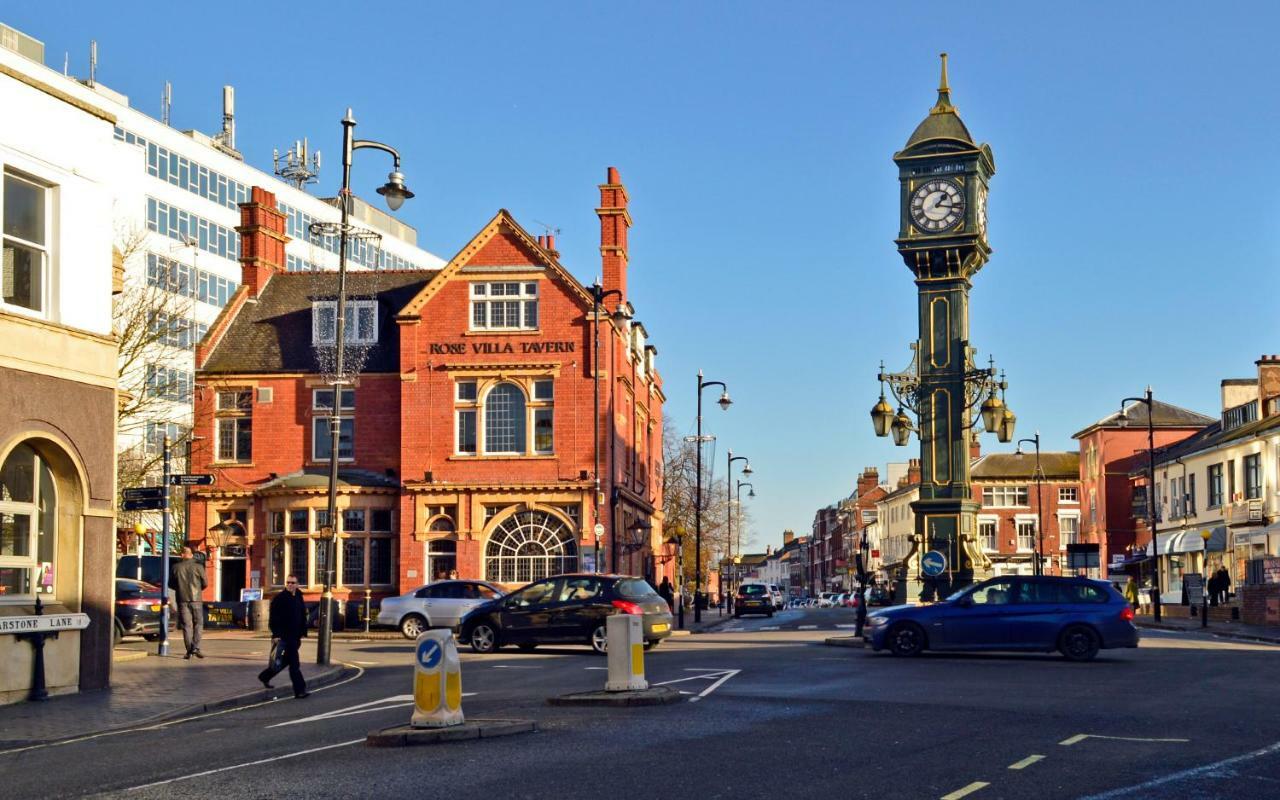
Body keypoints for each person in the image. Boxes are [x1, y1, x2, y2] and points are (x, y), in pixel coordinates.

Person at [258, 574, 309, 698]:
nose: (290, 585)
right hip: (284, 636)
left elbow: (302, 615)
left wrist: (303, 632)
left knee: (285, 661)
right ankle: (300, 690)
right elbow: (273, 618)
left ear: (297, 584)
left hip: (296, 637)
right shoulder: (280, 598)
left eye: (292, 583)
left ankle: (265, 676)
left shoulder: (299, 596)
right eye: (288, 582)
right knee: (294, 664)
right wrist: (276, 634)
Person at [168, 546, 207, 659]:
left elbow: (170, 584)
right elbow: (205, 583)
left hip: (182, 599)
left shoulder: (176, 567)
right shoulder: (199, 567)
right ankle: (195, 648)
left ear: (183, 555)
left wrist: (180, 588)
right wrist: (198, 590)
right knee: (198, 624)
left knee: (186, 625)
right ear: (191, 555)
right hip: (196, 599)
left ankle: (189, 650)